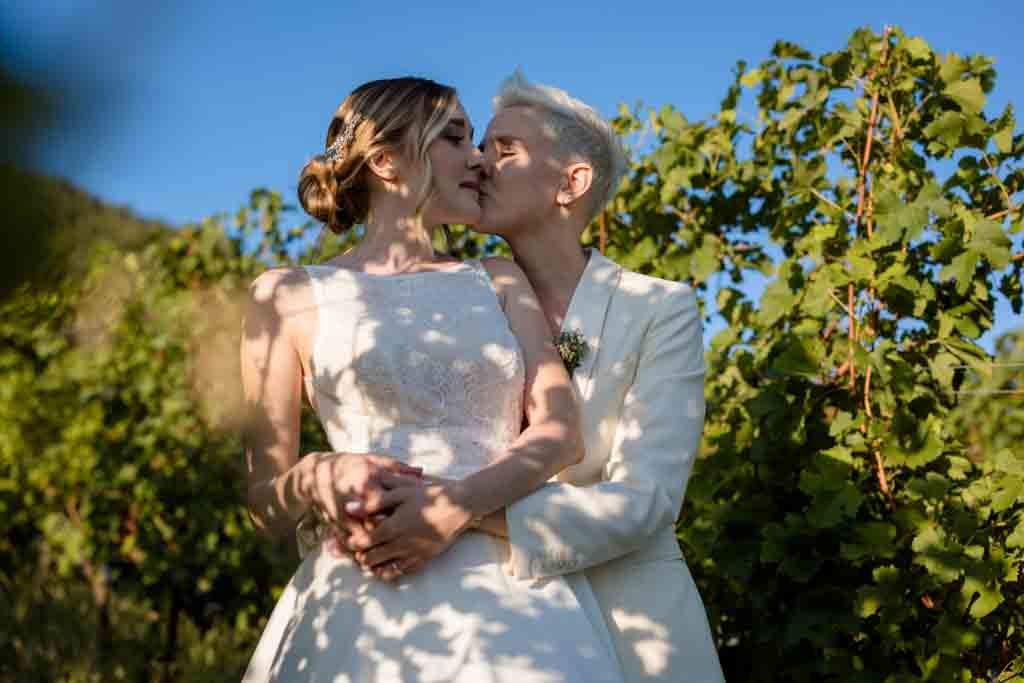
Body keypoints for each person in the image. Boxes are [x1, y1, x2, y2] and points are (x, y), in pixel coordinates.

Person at [338, 72, 726, 682]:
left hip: (635, 630)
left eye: (504, 150)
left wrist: (455, 508)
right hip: (481, 628)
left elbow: (646, 500)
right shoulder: (453, 302)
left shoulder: (658, 309)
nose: (477, 162)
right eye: (476, 146)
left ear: (571, 184)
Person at [239, 77, 624, 682]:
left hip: (509, 592)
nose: (477, 156)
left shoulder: (496, 277)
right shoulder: (284, 295)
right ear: (386, 160)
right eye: (453, 137)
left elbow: (560, 431)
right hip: (360, 594)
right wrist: (318, 473)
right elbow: (264, 500)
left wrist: (454, 506)